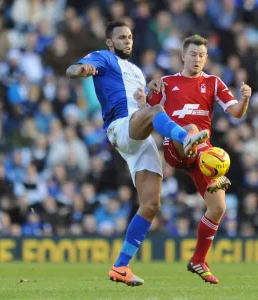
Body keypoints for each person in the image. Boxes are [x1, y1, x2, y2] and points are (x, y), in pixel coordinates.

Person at [66, 21, 209, 286]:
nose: (127, 41)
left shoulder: (137, 72)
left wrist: (149, 96)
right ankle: (186, 138)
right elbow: (71, 69)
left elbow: (142, 106)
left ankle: (121, 267)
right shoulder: (104, 58)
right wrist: (83, 69)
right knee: (159, 116)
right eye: (121, 37)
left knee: (152, 205)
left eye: (130, 37)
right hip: (121, 127)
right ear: (110, 42)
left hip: (139, 134)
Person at [141, 34, 252, 284]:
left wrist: (244, 98)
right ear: (183, 56)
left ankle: (198, 260)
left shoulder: (213, 83)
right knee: (191, 129)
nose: (197, 59)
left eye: (202, 55)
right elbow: (149, 111)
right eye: (192, 54)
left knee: (218, 208)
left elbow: (236, 112)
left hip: (204, 154)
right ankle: (195, 142)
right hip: (176, 146)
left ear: (207, 58)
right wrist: (148, 90)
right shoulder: (167, 83)